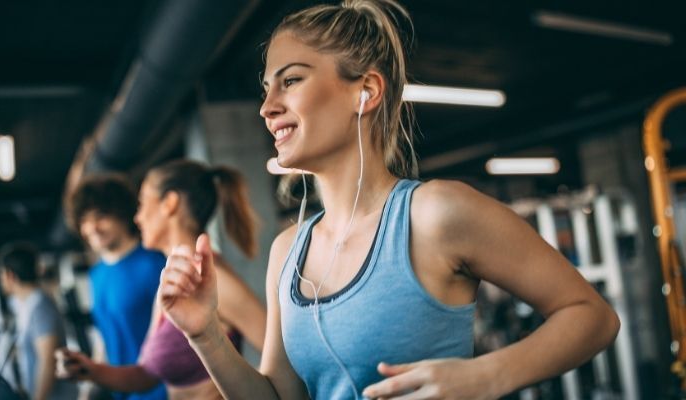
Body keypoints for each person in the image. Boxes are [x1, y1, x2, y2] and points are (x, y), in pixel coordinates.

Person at [155, 1, 621, 399]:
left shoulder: (435, 215)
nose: (267, 106)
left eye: (290, 80)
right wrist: (206, 334)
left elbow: (592, 317)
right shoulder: (287, 251)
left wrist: (485, 375)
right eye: (266, 88)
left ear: (366, 91)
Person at [57, 160, 266, 400]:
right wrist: (88, 369)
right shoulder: (169, 280)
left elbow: (285, 359)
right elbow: (145, 375)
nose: (137, 217)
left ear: (170, 204)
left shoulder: (211, 278)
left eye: (143, 204)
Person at [66, 174, 167, 400]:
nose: (92, 227)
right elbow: (104, 334)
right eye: (84, 220)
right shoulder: (96, 274)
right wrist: (87, 388)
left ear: (124, 215)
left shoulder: (156, 265)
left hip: (160, 392)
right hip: (120, 392)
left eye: (101, 216)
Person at [0, 243, 78, 400]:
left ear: (10, 275)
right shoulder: (25, 305)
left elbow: (48, 361)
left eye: (1, 274)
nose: (1, 280)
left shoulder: (40, 306)